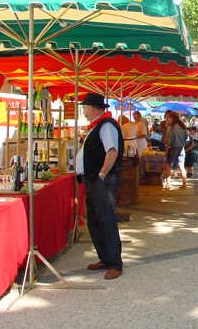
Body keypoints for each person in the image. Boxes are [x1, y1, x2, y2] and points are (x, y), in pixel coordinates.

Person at [75, 93, 123, 280]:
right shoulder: (98, 125)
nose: (84, 112)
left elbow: (111, 151)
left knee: (106, 221)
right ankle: (105, 257)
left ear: (93, 107)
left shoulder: (106, 126)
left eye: (85, 107)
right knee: (95, 220)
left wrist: (102, 174)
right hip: (93, 179)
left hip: (101, 180)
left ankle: (115, 263)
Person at [164, 111, 188, 189]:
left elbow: (168, 142)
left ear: (173, 118)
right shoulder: (182, 126)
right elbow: (186, 138)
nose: (166, 119)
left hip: (173, 148)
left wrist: (166, 151)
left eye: (168, 118)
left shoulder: (171, 128)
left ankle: (168, 184)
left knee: (168, 165)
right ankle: (184, 184)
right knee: (181, 166)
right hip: (181, 148)